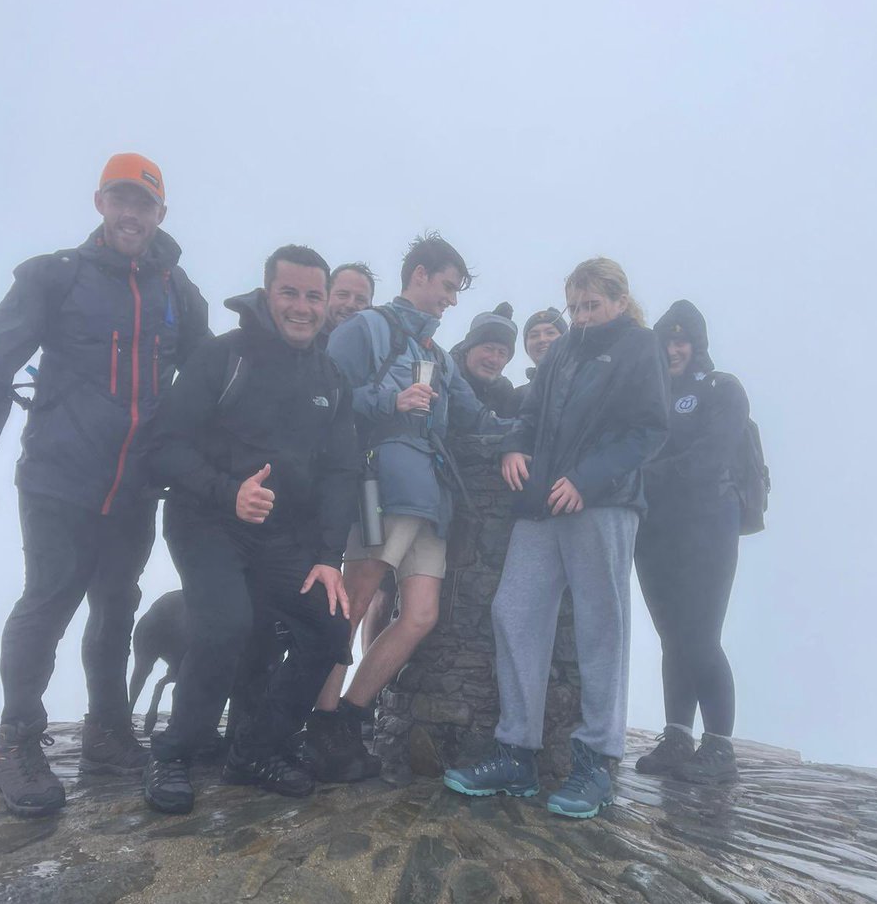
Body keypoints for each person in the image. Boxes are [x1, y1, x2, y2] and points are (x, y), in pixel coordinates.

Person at [0, 153, 209, 818]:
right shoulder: (57, 276)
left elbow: (207, 380)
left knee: (117, 605)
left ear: (160, 214)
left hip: (135, 484)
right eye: (120, 199)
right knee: (48, 602)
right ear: (101, 204)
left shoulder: (177, 289)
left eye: (144, 203)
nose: (131, 213)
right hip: (59, 476)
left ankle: (107, 730)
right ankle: (17, 743)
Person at [444, 257, 669, 818]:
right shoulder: (565, 350)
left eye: (592, 305)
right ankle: (516, 752)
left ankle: (596, 763)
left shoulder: (642, 346)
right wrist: (514, 446)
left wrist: (588, 479)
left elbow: (648, 430)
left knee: (601, 625)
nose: (583, 317)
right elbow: (528, 412)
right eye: (576, 307)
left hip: (603, 503)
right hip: (540, 503)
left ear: (619, 299)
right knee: (513, 610)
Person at [143, 245, 360, 814]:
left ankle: (254, 749)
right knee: (226, 626)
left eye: (314, 295)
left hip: (280, 539)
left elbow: (341, 470)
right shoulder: (224, 356)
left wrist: (326, 557)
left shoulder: (330, 378)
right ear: (267, 295)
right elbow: (163, 446)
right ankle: (173, 754)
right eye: (289, 293)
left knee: (330, 627)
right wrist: (226, 491)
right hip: (205, 520)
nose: (302, 307)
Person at [307, 233, 513, 778]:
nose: (450, 299)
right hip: (384, 484)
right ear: (418, 275)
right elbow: (323, 395)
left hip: (433, 496)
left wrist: (529, 440)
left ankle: (350, 716)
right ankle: (319, 722)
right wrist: (389, 400)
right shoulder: (366, 328)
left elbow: (477, 422)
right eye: (446, 286)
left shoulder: (437, 357)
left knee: (419, 616)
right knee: (351, 607)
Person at [633, 300, 750, 784]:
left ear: (696, 344)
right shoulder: (649, 395)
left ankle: (719, 746)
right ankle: (678, 736)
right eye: (666, 340)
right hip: (655, 531)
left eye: (682, 340)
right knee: (672, 638)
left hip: (707, 527)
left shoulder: (722, 389)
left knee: (700, 636)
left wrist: (643, 474)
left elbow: (709, 459)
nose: (673, 348)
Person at [450, 303, 521, 416]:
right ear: (468, 348)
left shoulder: (505, 393)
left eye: (502, 353)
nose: (494, 359)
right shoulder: (444, 377)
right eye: (488, 349)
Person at [513, 308, 567, 407]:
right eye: (534, 335)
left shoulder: (582, 383)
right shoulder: (516, 397)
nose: (542, 339)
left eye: (550, 333)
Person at [316, 262, 376, 348]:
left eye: (360, 300)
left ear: (370, 306)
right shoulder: (303, 340)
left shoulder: (376, 350)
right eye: (342, 295)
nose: (350, 305)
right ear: (326, 295)